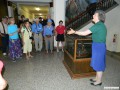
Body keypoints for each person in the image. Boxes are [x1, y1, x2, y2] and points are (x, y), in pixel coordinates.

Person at [67, 10, 107, 86]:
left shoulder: (98, 25)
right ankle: (97, 78)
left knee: (99, 64)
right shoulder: (100, 25)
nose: (93, 16)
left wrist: (74, 32)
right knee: (97, 62)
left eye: (95, 15)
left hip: (99, 46)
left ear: (99, 17)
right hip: (98, 45)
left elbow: (85, 33)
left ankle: (99, 81)